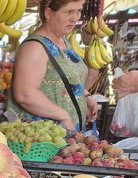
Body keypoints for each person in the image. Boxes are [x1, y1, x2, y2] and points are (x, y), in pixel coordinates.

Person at [7, 0, 99, 132]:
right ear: (49, 13)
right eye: (69, 12)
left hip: (66, 137)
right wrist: (63, 116)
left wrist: (86, 96)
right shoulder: (34, 47)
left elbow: (64, 80)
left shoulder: (63, 41)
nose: (75, 18)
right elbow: (25, 94)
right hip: (42, 142)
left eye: (78, 11)